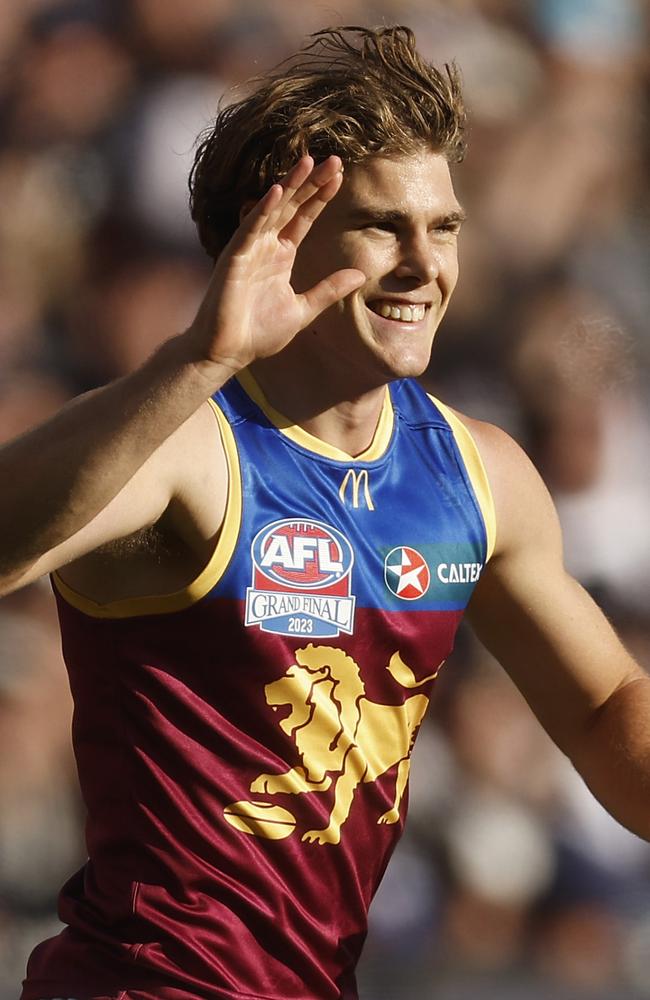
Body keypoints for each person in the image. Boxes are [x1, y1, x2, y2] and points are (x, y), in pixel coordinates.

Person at [8, 24, 650, 1000]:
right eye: (382, 226)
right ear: (280, 235)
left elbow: (606, 710)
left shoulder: (477, 475)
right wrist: (195, 359)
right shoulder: (191, 446)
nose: (423, 266)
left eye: (443, 228)